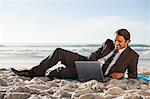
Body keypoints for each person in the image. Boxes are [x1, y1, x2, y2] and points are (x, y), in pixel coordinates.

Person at [11, 29, 139, 80]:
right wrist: (91, 61)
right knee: (59, 52)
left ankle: (51, 73)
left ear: (128, 42)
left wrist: (123, 75)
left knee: (59, 72)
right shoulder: (108, 43)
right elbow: (94, 54)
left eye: (120, 42)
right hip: (88, 63)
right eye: (116, 40)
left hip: (100, 75)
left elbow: (133, 75)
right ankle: (32, 72)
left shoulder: (132, 56)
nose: (117, 43)